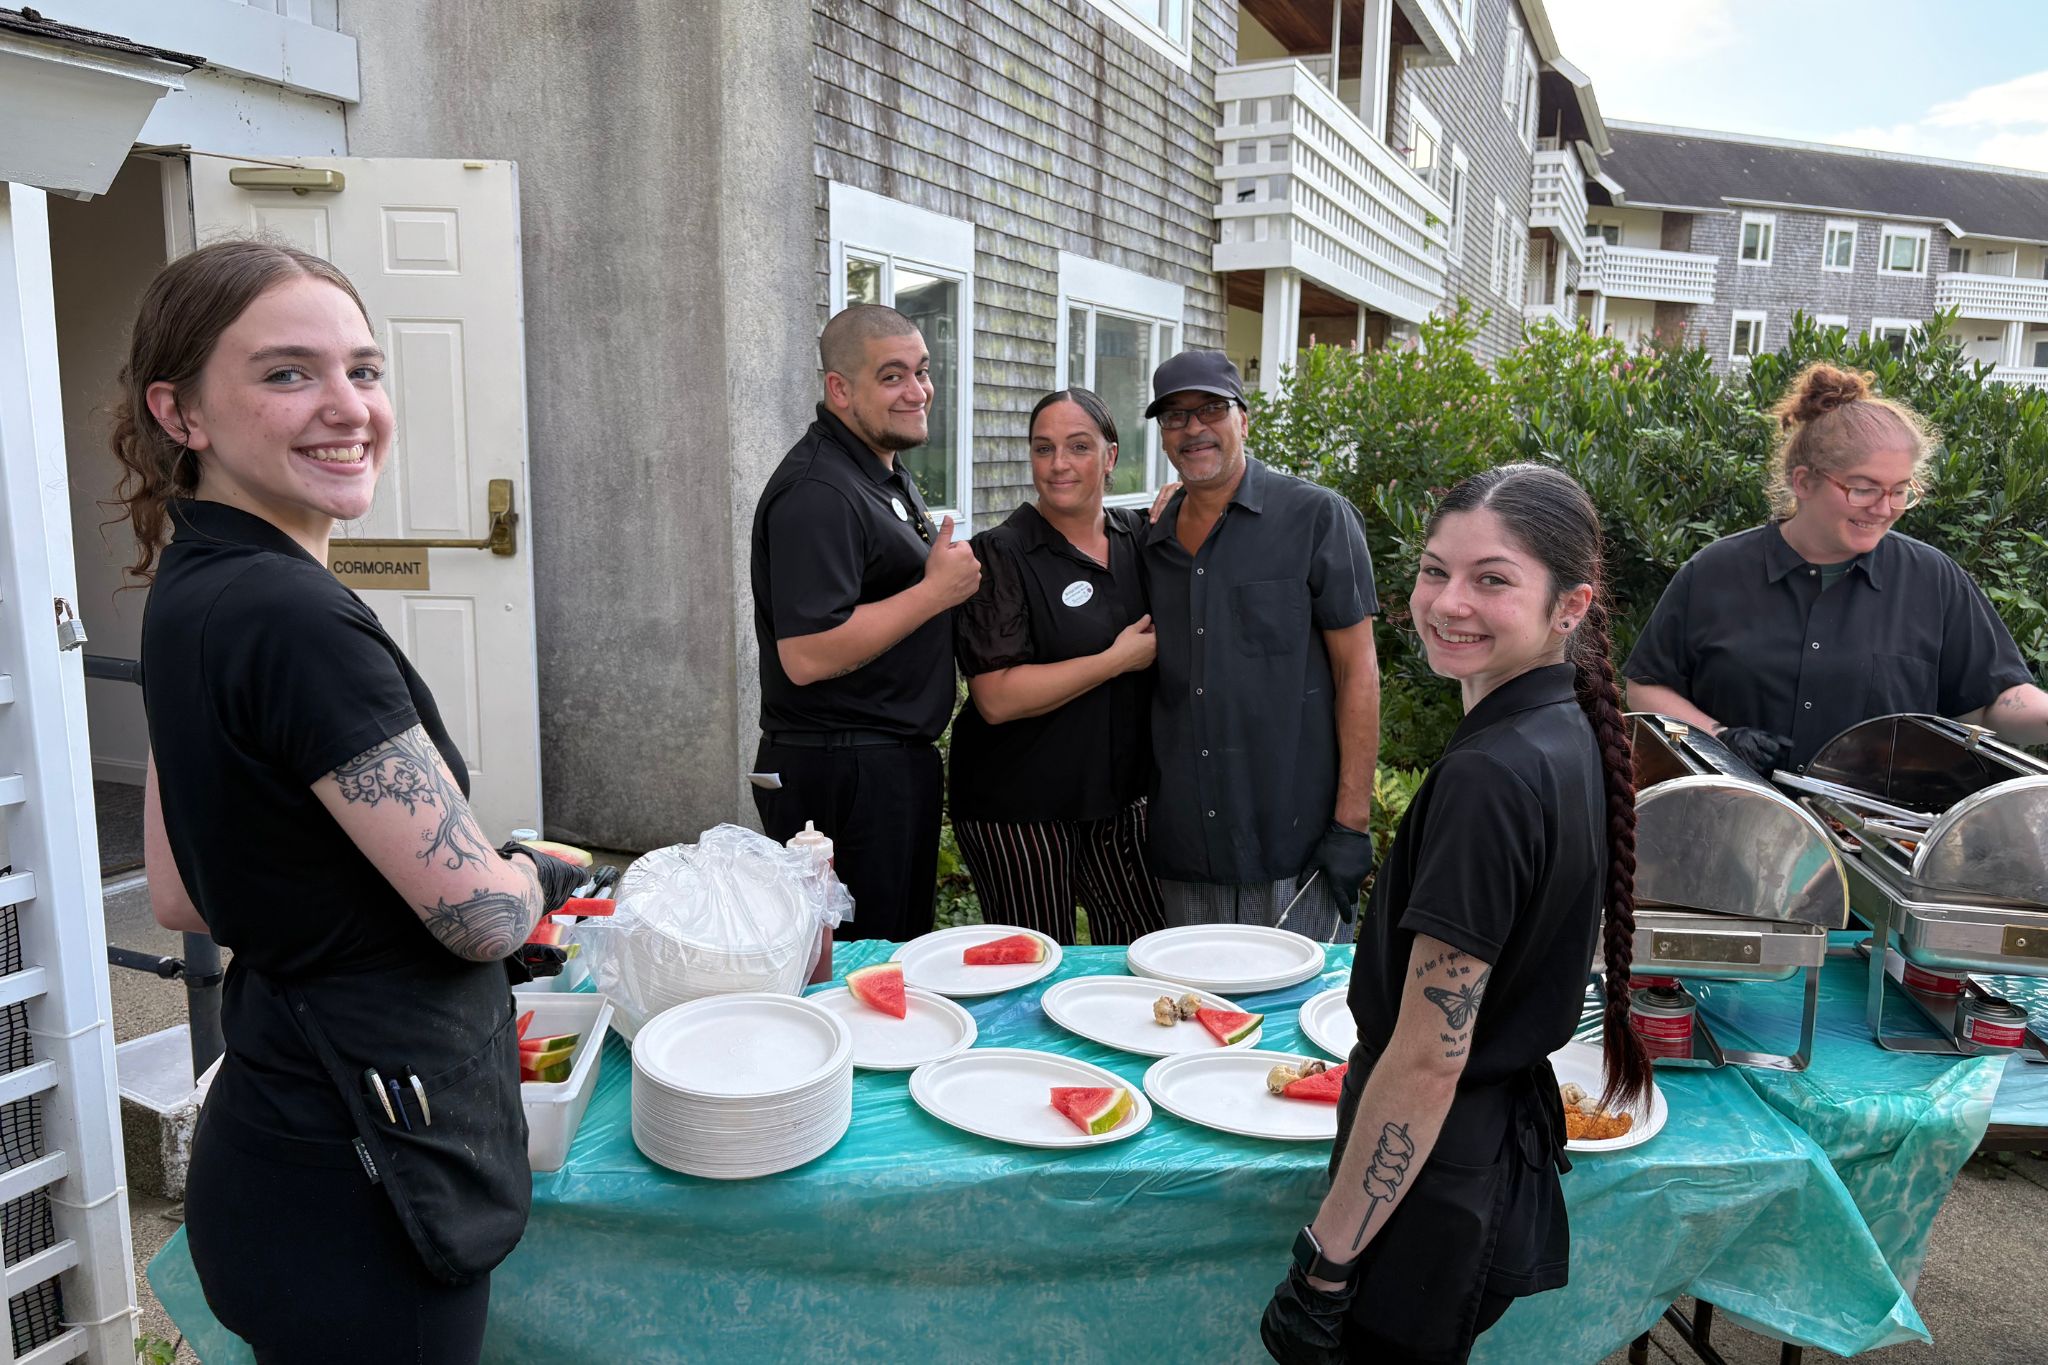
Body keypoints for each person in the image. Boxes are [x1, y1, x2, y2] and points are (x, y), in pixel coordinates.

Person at [122, 241, 584, 1363]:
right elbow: (477, 917)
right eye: (288, 374)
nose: (347, 407)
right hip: (366, 1170)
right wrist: (531, 870)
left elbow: (181, 896)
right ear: (180, 413)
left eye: (364, 371)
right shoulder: (292, 617)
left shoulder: (191, 584)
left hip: (274, 1145)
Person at [1261, 464, 1651, 1365]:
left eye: (1493, 578)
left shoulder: (1494, 774)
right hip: (1481, 1166)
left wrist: (1325, 1262)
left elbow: (1431, 1057)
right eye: (1435, 570)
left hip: (1436, 1188)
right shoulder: (1562, 729)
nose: (1449, 602)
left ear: (1570, 604)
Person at [1626, 362, 2047, 774]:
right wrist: (1717, 736)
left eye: (1900, 491)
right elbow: (1646, 686)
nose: (1884, 509)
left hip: (1881, 835)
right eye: (1863, 489)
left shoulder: (1933, 580)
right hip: (1735, 825)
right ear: (1804, 482)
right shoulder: (1714, 572)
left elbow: (1994, 701)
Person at [749, 304, 979, 941]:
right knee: (857, 970)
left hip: (883, 766)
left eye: (923, 372)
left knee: (893, 956)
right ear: (839, 388)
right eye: (893, 377)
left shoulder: (878, 470)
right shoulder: (819, 492)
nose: (918, 391)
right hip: (843, 773)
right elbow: (808, 653)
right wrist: (935, 592)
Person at [1140, 351, 1381, 939]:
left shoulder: (1317, 517)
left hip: (1294, 846)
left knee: (1294, 1023)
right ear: (1164, 437)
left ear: (1243, 419)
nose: (1193, 428)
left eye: (1211, 410)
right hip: (1186, 846)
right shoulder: (1151, 540)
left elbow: (1359, 672)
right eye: (1174, 417)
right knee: (1192, 1018)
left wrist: (1352, 823)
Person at [947, 388, 1166, 944]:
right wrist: (1114, 660)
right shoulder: (1000, 553)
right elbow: (996, 698)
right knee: (1036, 963)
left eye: (1078, 446)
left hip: (1120, 799)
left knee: (1141, 952)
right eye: (1043, 449)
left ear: (1111, 456)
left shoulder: (1137, 537)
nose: (1059, 464)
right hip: (1020, 806)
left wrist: (1187, 497)